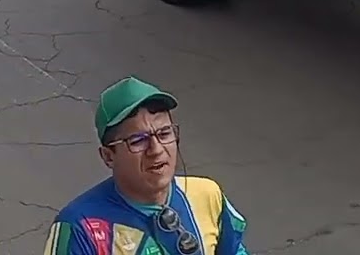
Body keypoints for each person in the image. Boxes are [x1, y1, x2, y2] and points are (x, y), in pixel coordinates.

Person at [44, 77, 248, 255]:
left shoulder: (207, 195)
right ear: (108, 156)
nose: (156, 149)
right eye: (138, 140)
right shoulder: (80, 228)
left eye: (164, 133)